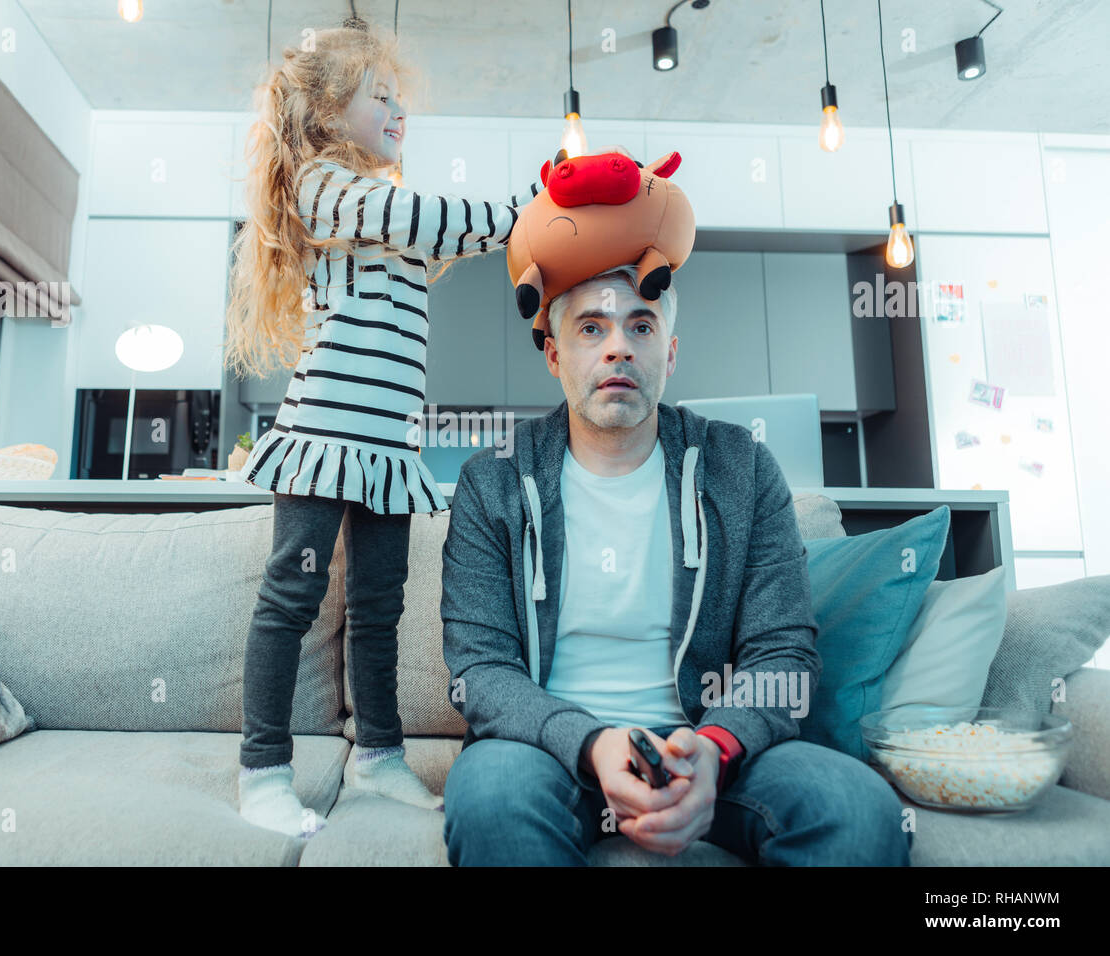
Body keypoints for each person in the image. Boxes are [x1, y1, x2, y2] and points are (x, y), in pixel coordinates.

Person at [440, 263, 913, 865]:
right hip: (547, 750)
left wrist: (715, 747)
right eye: (591, 329)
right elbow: (480, 671)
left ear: (670, 352)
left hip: (704, 746)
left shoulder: (742, 466)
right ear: (554, 355)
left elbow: (783, 651)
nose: (618, 348)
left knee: (857, 810)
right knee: (491, 802)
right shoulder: (495, 480)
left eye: (641, 326)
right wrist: (592, 743)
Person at [223, 21, 540, 839]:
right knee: (288, 601)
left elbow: (455, 232)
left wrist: (531, 220)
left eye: (402, 99)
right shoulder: (327, 190)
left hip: (387, 446)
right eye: (381, 96)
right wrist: (522, 208)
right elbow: (433, 220)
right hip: (325, 436)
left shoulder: (386, 208)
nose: (400, 111)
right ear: (330, 113)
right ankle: (262, 770)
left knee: (379, 606)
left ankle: (380, 755)